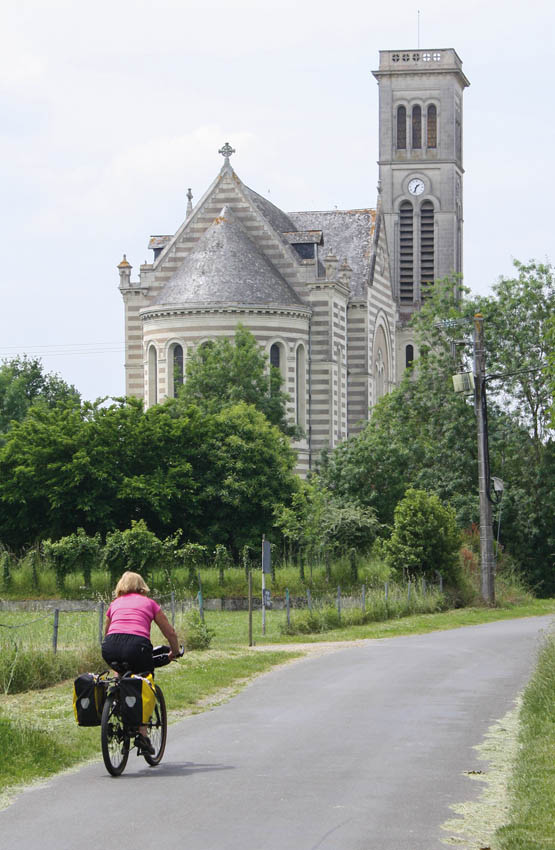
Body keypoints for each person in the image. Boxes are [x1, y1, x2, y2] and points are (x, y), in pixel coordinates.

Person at [102, 571, 180, 754]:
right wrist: (175, 652)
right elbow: (170, 632)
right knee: (146, 681)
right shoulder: (149, 603)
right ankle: (142, 734)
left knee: (119, 673)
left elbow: (107, 633)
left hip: (110, 646)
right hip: (137, 647)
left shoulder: (114, 604)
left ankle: (116, 701)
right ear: (142, 586)